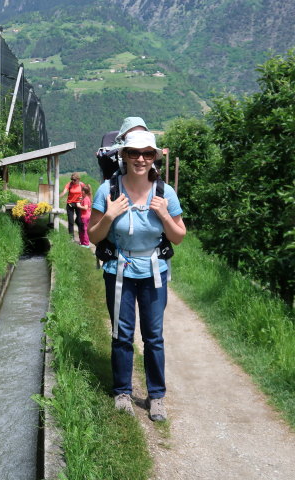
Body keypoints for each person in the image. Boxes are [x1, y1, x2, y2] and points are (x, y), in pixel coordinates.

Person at [88, 129, 186, 421]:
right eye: (134, 153)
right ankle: (122, 392)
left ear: (154, 157)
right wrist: (109, 215)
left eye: (147, 154)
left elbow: (179, 236)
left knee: (154, 337)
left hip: (154, 271)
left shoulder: (164, 193)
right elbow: (94, 236)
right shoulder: (108, 191)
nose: (140, 159)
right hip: (119, 271)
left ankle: (156, 396)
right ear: (124, 156)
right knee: (121, 335)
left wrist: (165, 215)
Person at [59, 172, 85, 239]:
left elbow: (86, 194)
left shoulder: (82, 185)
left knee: (79, 221)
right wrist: (57, 197)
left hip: (78, 204)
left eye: (74, 180)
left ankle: (81, 238)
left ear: (78, 179)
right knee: (71, 221)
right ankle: (71, 238)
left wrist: (82, 198)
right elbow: (64, 192)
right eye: (72, 179)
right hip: (70, 204)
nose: (73, 181)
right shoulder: (69, 184)